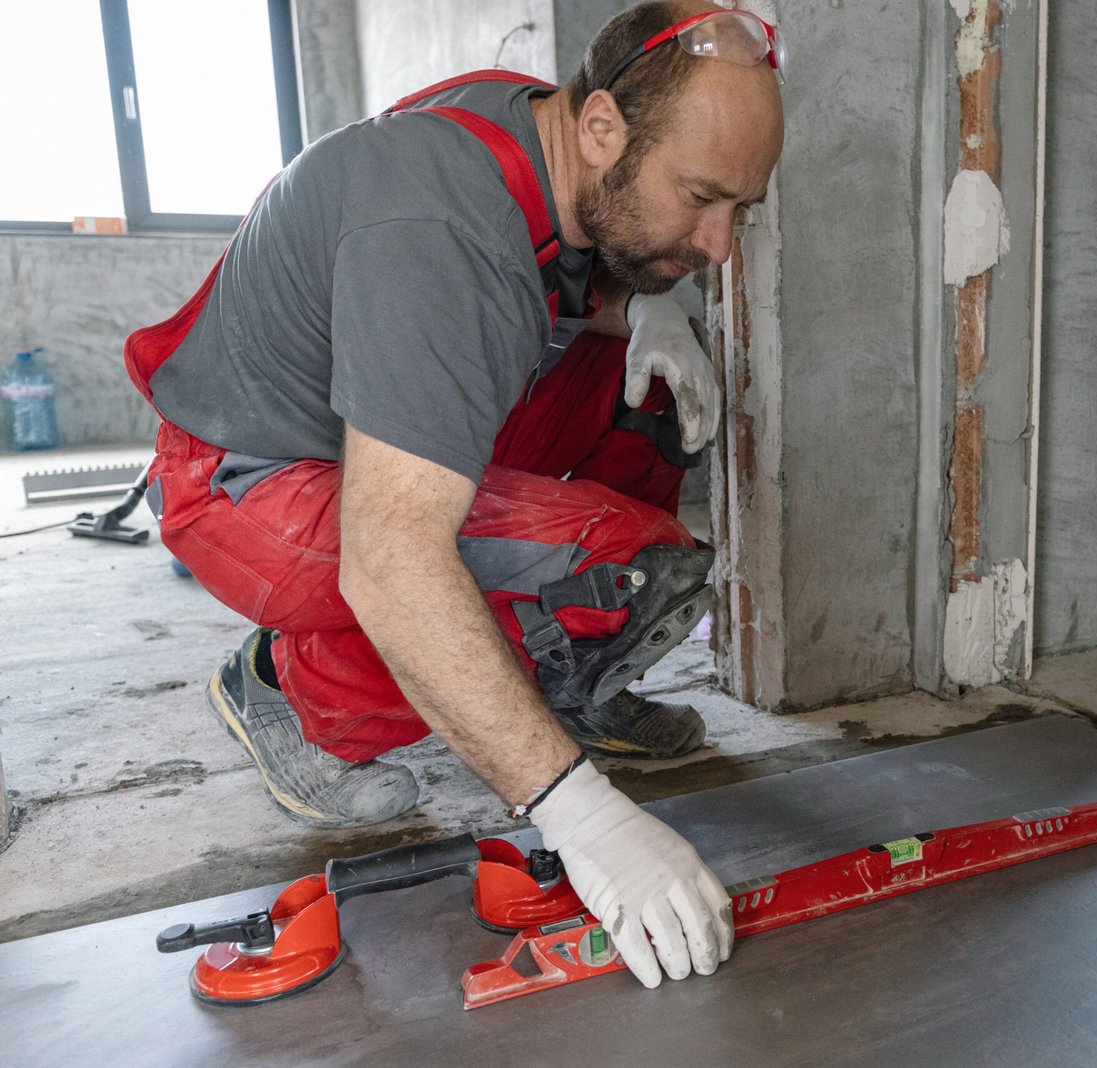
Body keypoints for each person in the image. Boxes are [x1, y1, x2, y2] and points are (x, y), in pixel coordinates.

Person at [121, 1, 785, 989]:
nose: (721, 244)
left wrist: (659, 305)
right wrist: (579, 812)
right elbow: (393, 562)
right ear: (600, 127)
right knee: (611, 569)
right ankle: (291, 695)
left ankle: (565, 686)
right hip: (245, 479)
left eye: (740, 209)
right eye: (699, 197)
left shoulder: (537, 135)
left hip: (354, 420)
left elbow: (580, 277)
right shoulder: (441, 226)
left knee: (644, 397)